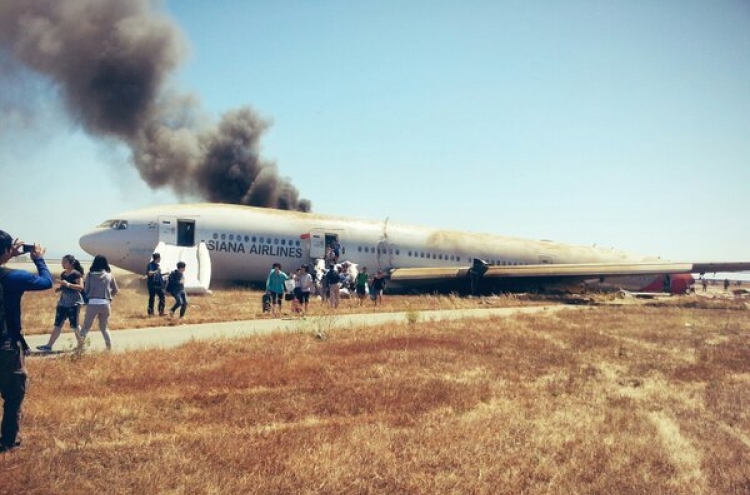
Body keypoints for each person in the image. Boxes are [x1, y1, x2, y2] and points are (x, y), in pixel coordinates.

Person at [0, 231, 53, 452]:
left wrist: (6, 255)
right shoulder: (13, 277)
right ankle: (8, 441)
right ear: (6, 250)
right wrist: (38, 258)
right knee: (14, 395)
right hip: (6, 346)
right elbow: (46, 282)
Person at [36, 255, 85, 352]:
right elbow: (65, 286)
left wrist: (67, 284)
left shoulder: (76, 274)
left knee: (74, 325)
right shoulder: (63, 274)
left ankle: (81, 345)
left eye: (65, 262)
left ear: (71, 263)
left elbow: (80, 287)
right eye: (62, 262)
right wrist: (60, 288)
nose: (62, 264)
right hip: (63, 302)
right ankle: (48, 346)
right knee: (57, 324)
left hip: (74, 303)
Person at [80, 255, 119, 350]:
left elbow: (85, 290)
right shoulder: (109, 275)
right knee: (104, 328)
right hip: (105, 304)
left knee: (86, 327)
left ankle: (80, 347)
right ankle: (109, 347)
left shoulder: (89, 275)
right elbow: (116, 290)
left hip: (92, 303)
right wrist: (110, 298)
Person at [146, 253, 166, 317]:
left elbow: (158, 274)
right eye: (159, 258)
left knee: (162, 297)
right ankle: (151, 313)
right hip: (152, 284)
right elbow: (149, 273)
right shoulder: (150, 265)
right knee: (152, 298)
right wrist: (157, 270)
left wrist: (165, 274)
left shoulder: (158, 265)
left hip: (159, 284)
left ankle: (161, 311)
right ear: (157, 258)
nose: (160, 259)